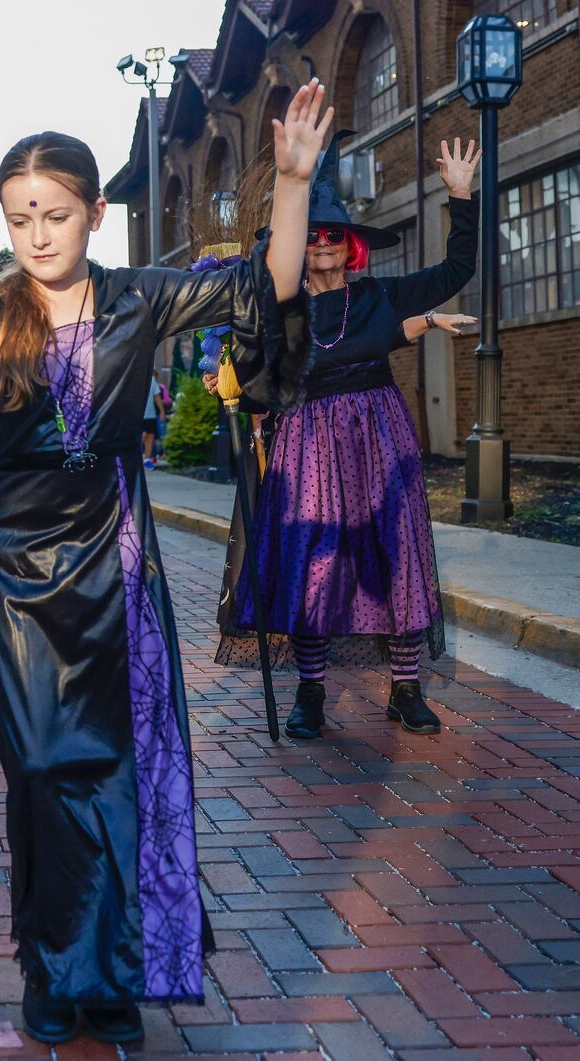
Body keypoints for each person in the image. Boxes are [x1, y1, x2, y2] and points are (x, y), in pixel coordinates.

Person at [0, 82, 325, 1044]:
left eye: (54, 216)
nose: (37, 235)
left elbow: (270, 284)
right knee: (44, 771)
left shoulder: (142, 296)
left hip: (116, 556)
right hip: (15, 568)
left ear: (95, 214)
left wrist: (293, 184)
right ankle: (54, 966)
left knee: (118, 768)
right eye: (20, 219)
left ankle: (112, 977)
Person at [214, 132, 481, 740]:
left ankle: (405, 689)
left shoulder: (378, 295)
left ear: (351, 243)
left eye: (333, 234)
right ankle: (310, 694)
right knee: (313, 563)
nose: (323, 244)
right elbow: (258, 358)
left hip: (380, 437)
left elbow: (457, 269)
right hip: (308, 440)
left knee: (396, 552)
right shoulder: (282, 309)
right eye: (310, 235)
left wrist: (461, 199)